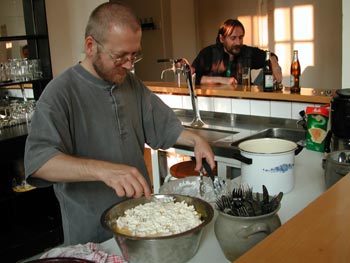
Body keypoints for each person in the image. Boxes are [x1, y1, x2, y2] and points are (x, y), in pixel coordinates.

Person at [24, 2, 215, 246]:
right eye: (120, 56)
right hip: (92, 237)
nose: (129, 64)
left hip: (141, 227)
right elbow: (39, 163)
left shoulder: (130, 84)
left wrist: (195, 139)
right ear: (91, 46)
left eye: (134, 55)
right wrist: (104, 170)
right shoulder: (60, 93)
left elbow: (164, 126)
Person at [191, 19, 282, 86]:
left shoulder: (247, 52)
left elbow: (268, 55)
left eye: (240, 37)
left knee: (268, 67)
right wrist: (223, 80)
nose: (238, 43)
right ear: (222, 39)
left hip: (243, 102)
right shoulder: (209, 53)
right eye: (233, 38)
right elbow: (193, 78)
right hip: (216, 104)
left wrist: (275, 64)